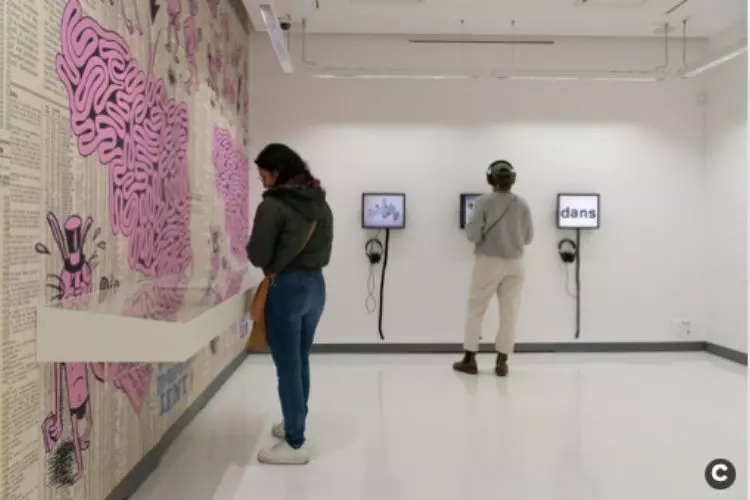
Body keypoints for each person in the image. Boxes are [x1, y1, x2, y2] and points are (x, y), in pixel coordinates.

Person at [246, 143, 333, 465]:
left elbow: (258, 254)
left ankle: (295, 442)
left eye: (263, 174)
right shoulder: (321, 203)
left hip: (287, 288)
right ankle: (294, 422)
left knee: (287, 366)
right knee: (299, 360)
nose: (261, 181)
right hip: (316, 286)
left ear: (278, 172)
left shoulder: (273, 206)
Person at [453, 160, 533, 377]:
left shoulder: (483, 202)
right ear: (513, 180)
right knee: (510, 312)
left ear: (491, 179)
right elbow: (528, 238)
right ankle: (502, 362)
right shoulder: (523, 204)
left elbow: (472, 235)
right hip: (515, 264)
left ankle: (470, 359)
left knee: (476, 310)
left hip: (488, 262)